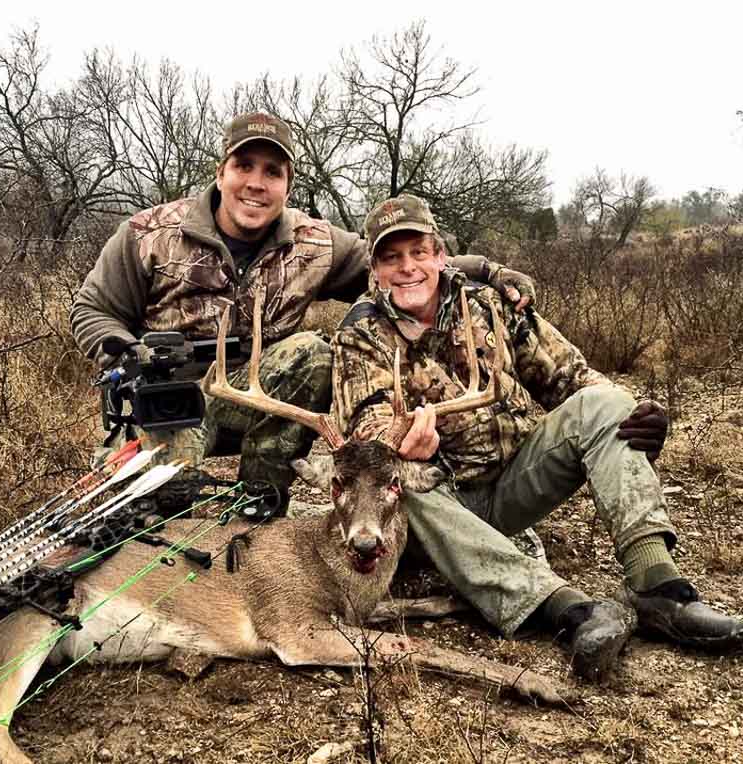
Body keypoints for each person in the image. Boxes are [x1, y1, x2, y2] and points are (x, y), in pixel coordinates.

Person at [331, 194, 743, 680]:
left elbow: (570, 374)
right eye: (391, 258)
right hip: (438, 505)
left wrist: (633, 413)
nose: (407, 268)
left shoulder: (488, 305)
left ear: (440, 255)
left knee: (608, 403)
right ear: (374, 269)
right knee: (399, 482)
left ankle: (658, 585)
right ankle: (566, 610)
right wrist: (399, 440)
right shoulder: (359, 333)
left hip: (514, 483)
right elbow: (365, 427)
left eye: (418, 252)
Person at [71, 113, 535, 515]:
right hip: (169, 403)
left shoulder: (315, 242)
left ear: (288, 183)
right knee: (150, 517)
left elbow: (400, 268)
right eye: (243, 166)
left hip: (255, 395)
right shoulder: (148, 234)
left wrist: (488, 271)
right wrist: (133, 355)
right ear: (220, 171)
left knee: (314, 354)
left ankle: (260, 505)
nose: (256, 183)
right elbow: (93, 309)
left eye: (272, 171)